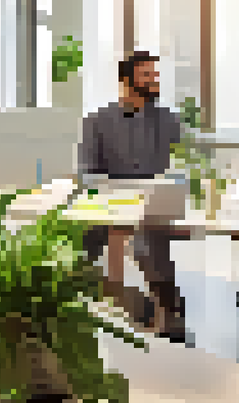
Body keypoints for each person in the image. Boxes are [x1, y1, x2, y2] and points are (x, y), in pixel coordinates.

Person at [77, 51, 187, 338]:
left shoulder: (168, 121)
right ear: (126, 80)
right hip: (108, 207)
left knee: (145, 245)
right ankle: (115, 300)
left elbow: (184, 164)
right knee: (73, 250)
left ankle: (167, 311)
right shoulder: (96, 121)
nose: (155, 80)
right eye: (147, 75)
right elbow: (86, 172)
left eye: (155, 75)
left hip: (153, 208)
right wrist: (114, 195)